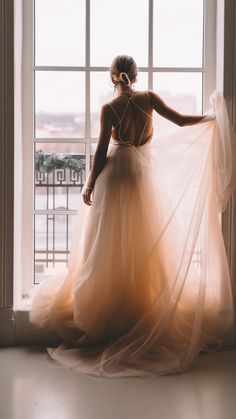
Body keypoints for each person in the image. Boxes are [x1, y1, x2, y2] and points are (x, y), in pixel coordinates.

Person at [30, 55, 235, 378]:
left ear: (113, 78)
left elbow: (100, 151)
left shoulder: (109, 109)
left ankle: (110, 313)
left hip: (115, 175)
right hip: (141, 175)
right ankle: (140, 308)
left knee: (108, 245)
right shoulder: (148, 99)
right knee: (143, 241)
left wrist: (89, 183)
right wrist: (211, 118)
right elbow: (181, 121)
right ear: (134, 76)